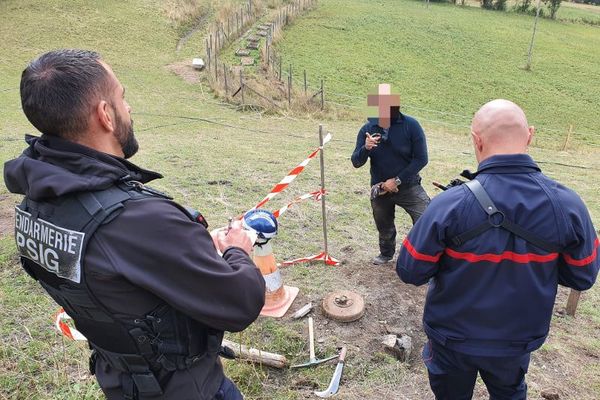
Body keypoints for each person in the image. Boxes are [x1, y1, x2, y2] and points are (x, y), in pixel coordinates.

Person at [4, 49, 266, 400]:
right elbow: (241, 303)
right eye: (122, 98)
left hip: (120, 380)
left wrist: (190, 250)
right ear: (105, 115)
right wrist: (237, 249)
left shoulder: (35, 206)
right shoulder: (140, 221)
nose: (129, 108)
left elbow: (119, 281)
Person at [397, 99, 599, 399]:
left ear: (476, 140)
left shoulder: (447, 205)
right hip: (516, 341)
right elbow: (582, 277)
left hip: (451, 339)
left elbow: (410, 270)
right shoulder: (568, 206)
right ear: (529, 135)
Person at [351, 84, 430, 265]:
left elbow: (421, 159)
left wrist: (397, 180)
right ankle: (386, 254)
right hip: (380, 189)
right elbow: (356, 162)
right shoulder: (367, 129)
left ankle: (424, 257)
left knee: (426, 219)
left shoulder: (411, 126)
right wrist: (366, 148)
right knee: (383, 224)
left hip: (409, 185)